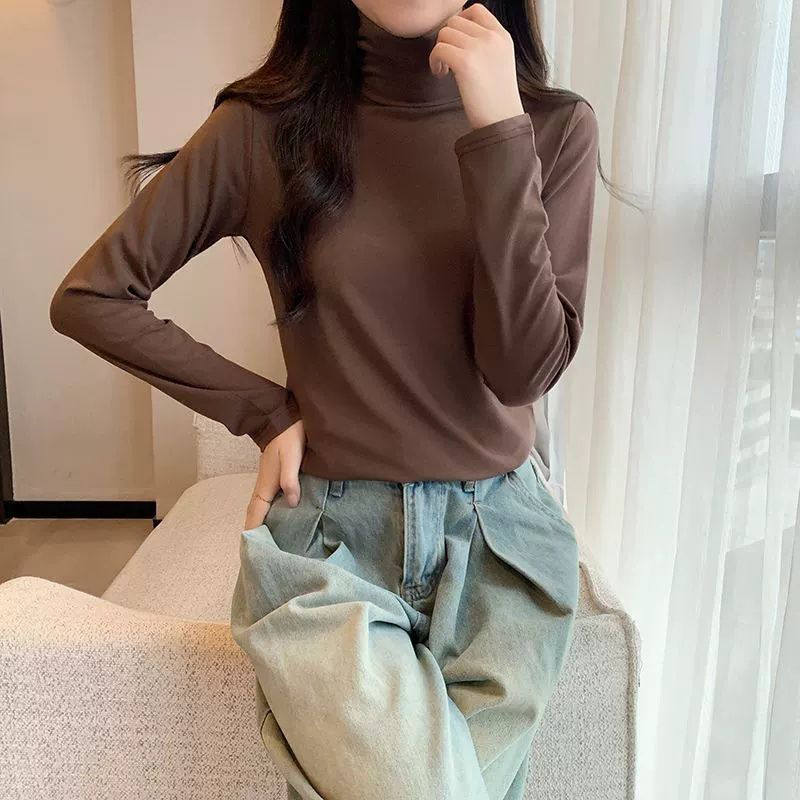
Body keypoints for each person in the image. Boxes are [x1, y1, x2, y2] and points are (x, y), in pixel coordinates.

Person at [49, 1, 603, 798]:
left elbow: (521, 373)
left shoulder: (553, 128)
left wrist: (499, 135)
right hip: (330, 548)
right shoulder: (261, 131)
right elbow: (92, 297)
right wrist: (263, 411)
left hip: (502, 553)